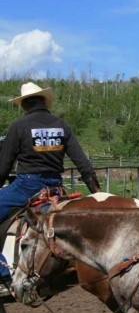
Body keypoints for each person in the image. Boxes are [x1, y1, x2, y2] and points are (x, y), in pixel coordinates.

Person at [0, 82, 101, 293]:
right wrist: (98, 195)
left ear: (24, 105)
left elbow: (3, 168)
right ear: (44, 101)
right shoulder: (62, 126)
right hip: (56, 187)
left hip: (27, 185)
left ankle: (3, 271)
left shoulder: (18, 126)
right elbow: (83, 163)